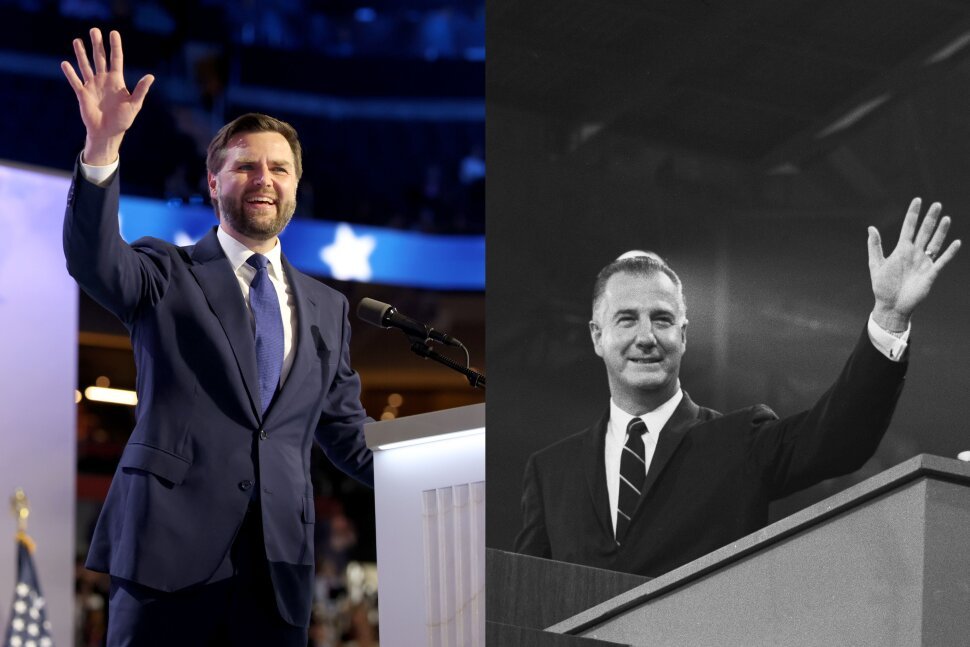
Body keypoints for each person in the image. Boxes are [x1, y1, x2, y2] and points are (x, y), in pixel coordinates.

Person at [61, 29, 372, 646]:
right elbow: (95, 261)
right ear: (213, 182)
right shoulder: (165, 271)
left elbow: (348, 436)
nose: (264, 178)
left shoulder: (327, 308)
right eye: (246, 166)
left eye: (279, 168)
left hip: (278, 570)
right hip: (164, 561)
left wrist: (453, 472)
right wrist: (102, 147)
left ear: (295, 185)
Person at [513, 200, 960, 578]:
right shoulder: (551, 473)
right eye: (627, 318)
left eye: (662, 319)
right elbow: (522, 602)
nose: (646, 335)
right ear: (596, 336)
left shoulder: (738, 440)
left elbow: (839, 437)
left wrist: (888, 316)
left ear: (684, 335)